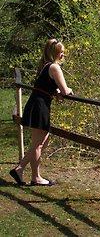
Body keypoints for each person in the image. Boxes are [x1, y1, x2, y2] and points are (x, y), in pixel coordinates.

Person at [9, 39, 73, 186]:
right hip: (40, 106)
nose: (63, 55)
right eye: (60, 52)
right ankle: (35, 177)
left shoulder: (46, 66)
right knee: (38, 144)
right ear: (54, 53)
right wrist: (66, 91)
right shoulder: (54, 67)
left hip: (38, 104)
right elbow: (65, 90)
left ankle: (19, 169)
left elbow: (48, 85)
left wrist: (55, 91)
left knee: (43, 141)